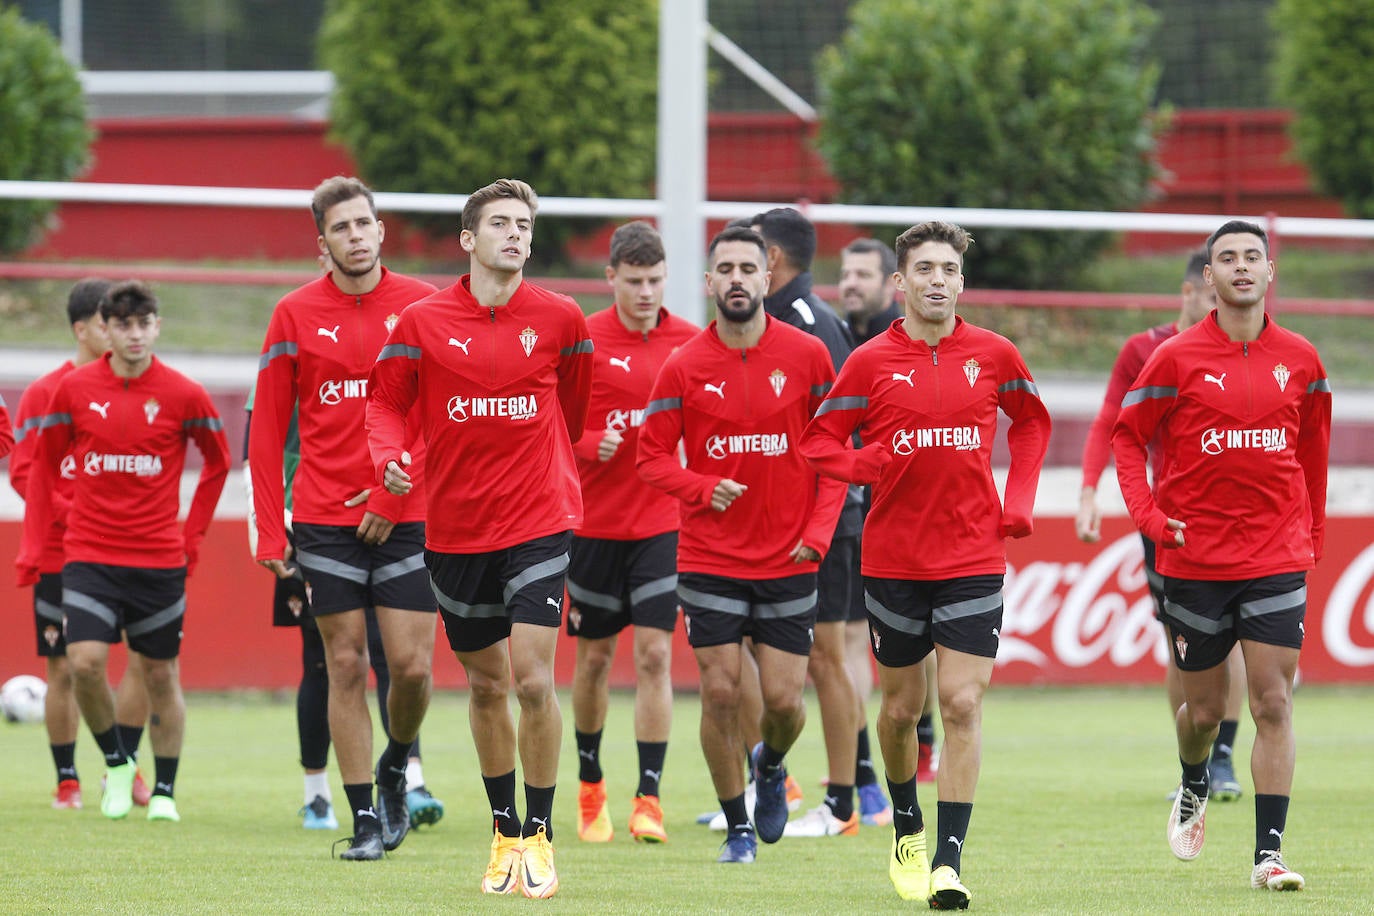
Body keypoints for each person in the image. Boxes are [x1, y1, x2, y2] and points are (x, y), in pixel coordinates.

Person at [800, 221, 1051, 907]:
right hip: (894, 562)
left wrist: (1018, 500)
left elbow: (1031, 422)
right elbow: (820, 441)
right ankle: (905, 821)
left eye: (949, 269)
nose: (938, 280)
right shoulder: (870, 363)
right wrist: (865, 466)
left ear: (960, 281)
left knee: (963, 702)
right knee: (901, 711)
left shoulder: (993, 354)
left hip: (973, 554)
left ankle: (948, 861)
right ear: (900, 283)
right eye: (925, 269)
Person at [367, 178, 593, 898]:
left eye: (523, 224)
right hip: (456, 530)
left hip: (539, 521)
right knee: (488, 683)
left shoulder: (561, 319)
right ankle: (502, 833)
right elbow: (386, 404)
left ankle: (542, 834)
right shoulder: (421, 322)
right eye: (499, 223)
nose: (514, 234)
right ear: (468, 240)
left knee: (531, 676)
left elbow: (576, 413)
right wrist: (389, 462)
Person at [1112, 220, 1329, 892]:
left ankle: (1268, 855)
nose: (1240, 267)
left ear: (1271, 273)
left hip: (1275, 556)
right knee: (1202, 715)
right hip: (1194, 563)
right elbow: (1126, 439)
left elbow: (1313, 455)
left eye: (1252, 257)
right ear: (1207, 277)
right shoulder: (1173, 358)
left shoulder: (1302, 359)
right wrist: (1149, 519)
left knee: (1273, 702)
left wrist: (1311, 536)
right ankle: (1194, 776)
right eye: (1226, 258)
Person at [637, 225, 847, 865]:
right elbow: (650, 458)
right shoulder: (684, 365)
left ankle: (771, 760)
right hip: (709, 559)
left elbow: (837, 454)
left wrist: (816, 535)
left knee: (785, 702)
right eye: (722, 268)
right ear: (709, 284)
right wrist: (700, 487)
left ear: (766, 277)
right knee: (721, 691)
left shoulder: (809, 356)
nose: (734, 278)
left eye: (745, 268)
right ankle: (738, 828)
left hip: (788, 559)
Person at [249, 176, 439, 861]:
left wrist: (393, 494)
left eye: (364, 224)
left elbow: (442, 417)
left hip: (411, 516)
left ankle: (396, 768)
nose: (355, 236)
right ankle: (363, 819)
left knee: (413, 669)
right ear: (322, 242)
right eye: (342, 228)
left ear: (381, 229)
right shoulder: (292, 314)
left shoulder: (425, 305)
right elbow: (267, 434)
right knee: (345, 662)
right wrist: (272, 532)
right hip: (325, 520)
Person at [17, 280, 231, 823]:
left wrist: (193, 536)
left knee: (160, 674)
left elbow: (218, 462)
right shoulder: (73, 390)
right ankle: (113, 763)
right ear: (104, 331)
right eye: (124, 325)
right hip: (88, 558)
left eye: (144, 324)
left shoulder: (185, 393)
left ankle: (164, 792)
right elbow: (41, 463)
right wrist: (50, 530)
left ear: (157, 326)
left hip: (159, 559)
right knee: (83, 664)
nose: (135, 334)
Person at [1076, 250, 1247, 801]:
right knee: (1184, 642)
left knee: (1239, 640)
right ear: (1192, 289)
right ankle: (1194, 754)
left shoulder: (1249, 349)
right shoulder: (1147, 350)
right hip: (1170, 520)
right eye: (1212, 289)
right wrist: (1088, 491)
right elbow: (1111, 421)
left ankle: (1222, 759)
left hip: (1244, 522)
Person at [243, 380, 443, 832]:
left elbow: (429, 421)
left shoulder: (403, 336)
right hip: (310, 523)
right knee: (326, 662)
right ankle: (318, 795)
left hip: (399, 514)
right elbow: (256, 449)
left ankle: (408, 777)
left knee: (402, 661)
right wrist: (267, 523)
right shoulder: (295, 343)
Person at [567, 221, 699, 845]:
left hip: (661, 526)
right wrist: (591, 442)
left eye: (655, 280)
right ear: (611, 277)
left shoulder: (690, 345)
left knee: (653, 656)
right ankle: (591, 788)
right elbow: (546, 427)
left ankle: (649, 797)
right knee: (593, 660)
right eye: (634, 281)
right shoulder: (584, 341)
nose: (645, 292)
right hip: (593, 528)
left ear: (665, 278)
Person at [748, 207, 875, 837]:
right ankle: (789, 784)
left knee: (826, 656)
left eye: (751, 254)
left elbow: (838, 430)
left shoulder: (808, 326)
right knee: (809, 655)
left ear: (771, 258)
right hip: (796, 517)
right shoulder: (789, 319)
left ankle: (845, 804)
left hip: (826, 516)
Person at [10, 278, 157, 811]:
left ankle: (124, 768)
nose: (119, 334)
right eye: (106, 324)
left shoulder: (144, 391)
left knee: (145, 659)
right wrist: (86, 515)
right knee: (66, 666)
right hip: (64, 554)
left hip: (135, 553)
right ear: (83, 329)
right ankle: (68, 779)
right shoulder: (45, 394)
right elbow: (26, 475)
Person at [839, 237, 939, 789]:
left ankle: (918, 741)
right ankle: (862, 765)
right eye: (846, 273)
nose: (851, 282)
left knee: (888, 641)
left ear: (890, 284)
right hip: (850, 507)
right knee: (851, 642)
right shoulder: (837, 335)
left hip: (898, 518)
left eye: (863, 274)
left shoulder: (904, 338)